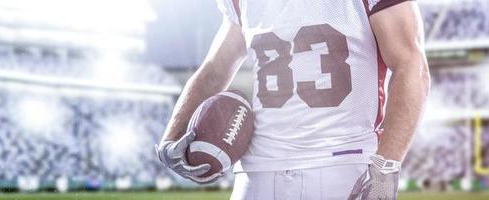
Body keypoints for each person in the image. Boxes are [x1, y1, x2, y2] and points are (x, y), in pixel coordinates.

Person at [156, 0, 430, 199]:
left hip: (341, 163)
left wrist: (386, 167)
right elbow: (215, 69)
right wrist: (170, 139)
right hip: (258, 169)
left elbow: (412, 65)